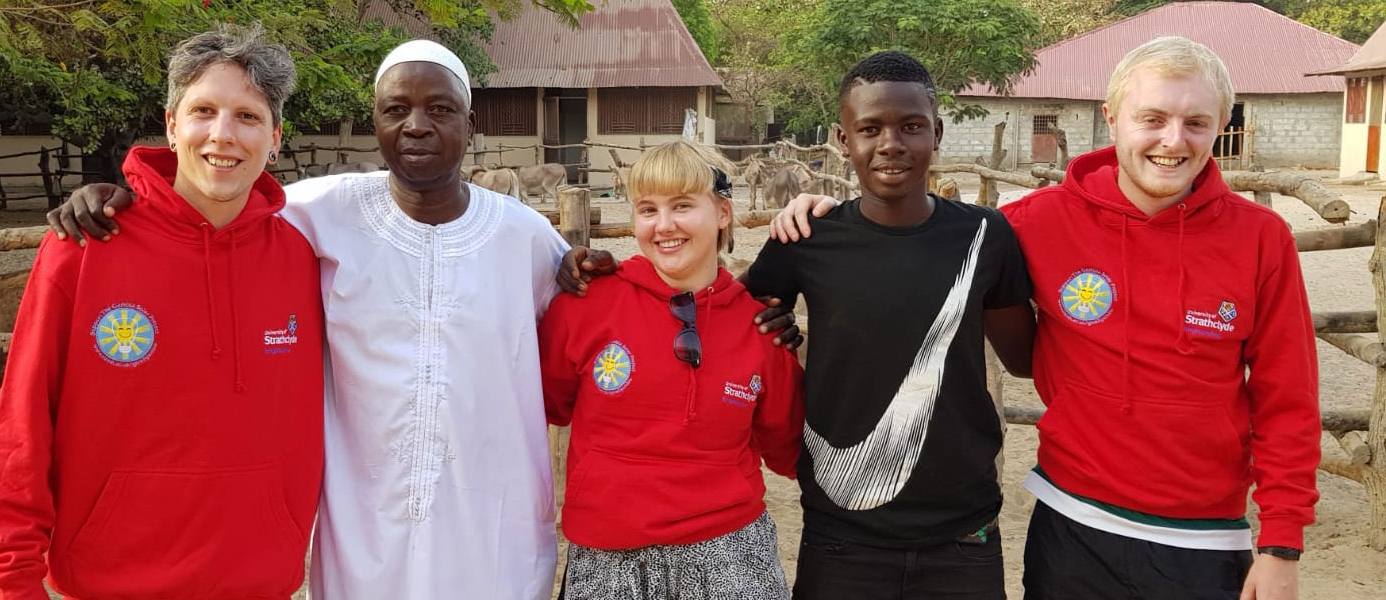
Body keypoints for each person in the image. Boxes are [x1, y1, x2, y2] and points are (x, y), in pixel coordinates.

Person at [47, 38, 801, 599]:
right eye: (396, 110)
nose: (416, 125)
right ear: (373, 121)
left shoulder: (527, 239)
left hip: (495, 526)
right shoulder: (315, 215)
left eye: (439, 109)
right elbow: (212, 218)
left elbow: (594, 332)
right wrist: (123, 196)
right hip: (361, 525)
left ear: (469, 123)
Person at [772, 37, 1321, 600]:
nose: (1172, 140)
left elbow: (1288, 397)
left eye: (1196, 122)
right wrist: (818, 213)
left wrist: (1282, 543)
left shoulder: (1260, 238)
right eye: (1152, 118)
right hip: (1071, 526)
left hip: (1204, 538)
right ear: (1112, 117)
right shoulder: (1032, 223)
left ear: (1223, 124)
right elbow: (922, 234)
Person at [0, 25, 325, 600]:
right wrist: (15, 580)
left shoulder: (305, 260)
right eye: (203, 111)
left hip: (261, 582)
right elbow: (23, 424)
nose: (222, 135)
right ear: (170, 125)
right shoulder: (84, 249)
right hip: (110, 583)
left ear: (276, 138)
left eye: (248, 117)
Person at [742, 51, 1035, 600]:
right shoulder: (807, 239)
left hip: (964, 534)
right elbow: (732, 316)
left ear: (938, 133)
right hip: (841, 534)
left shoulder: (986, 236)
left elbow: (1023, 358)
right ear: (842, 137)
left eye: (911, 127)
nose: (891, 144)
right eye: (870, 128)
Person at [539, 141, 804, 600]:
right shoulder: (585, 306)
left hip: (731, 556)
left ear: (722, 212)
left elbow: (790, 451)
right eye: (647, 209)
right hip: (608, 559)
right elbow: (551, 405)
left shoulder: (760, 327)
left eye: (682, 205)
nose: (663, 226)